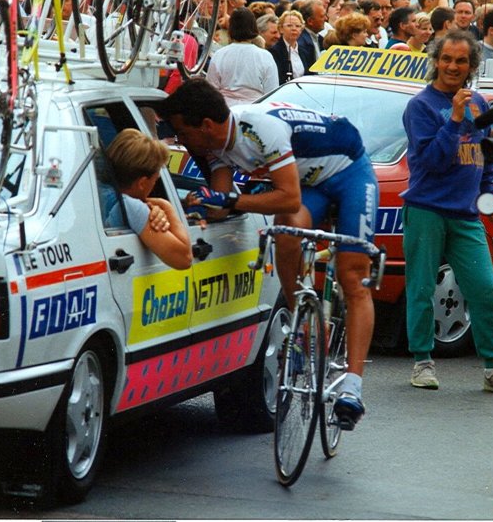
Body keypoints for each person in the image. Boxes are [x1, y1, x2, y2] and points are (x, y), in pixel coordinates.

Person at [161, 79, 379, 430]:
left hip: (347, 171)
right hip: (309, 182)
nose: (180, 140)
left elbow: (287, 196)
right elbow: (223, 202)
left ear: (206, 126)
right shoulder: (213, 144)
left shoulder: (261, 129)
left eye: (182, 132)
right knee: (287, 229)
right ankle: (302, 321)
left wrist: (231, 200)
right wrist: (202, 204)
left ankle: (353, 385)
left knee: (354, 276)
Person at [401, 30, 493, 392]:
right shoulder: (421, 106)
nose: (452, 66)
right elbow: (432, 161)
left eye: (461, 60)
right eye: (446, 59)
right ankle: (422, 361)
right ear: (435, 60)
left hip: (466, 216)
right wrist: (454, 120)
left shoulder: (479, 103)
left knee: (484, 288)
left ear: (472, 65)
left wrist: (490, 205)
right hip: (426, 210)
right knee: (421, 289)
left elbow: (485, 163)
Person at [102, 130, 193, 270]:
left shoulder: (99, 191)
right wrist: (166, 205)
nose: (154, 184)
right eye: (156, 179)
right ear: (142, 183)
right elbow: (184, 259)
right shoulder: (131, 207)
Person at [206, 8, 279, 106]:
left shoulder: (220, 54)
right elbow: (272, 92)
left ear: (231, 28)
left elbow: (211, 90)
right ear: (254, 27)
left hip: (226, 111)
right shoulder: (264, 56)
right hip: (253, 111)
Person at [268, 10, 313, 84]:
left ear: (301, 30)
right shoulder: (274, 52)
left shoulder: (306, 51)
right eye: (289, 25)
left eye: (298, 26)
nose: (294, 29)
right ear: (281, 29)